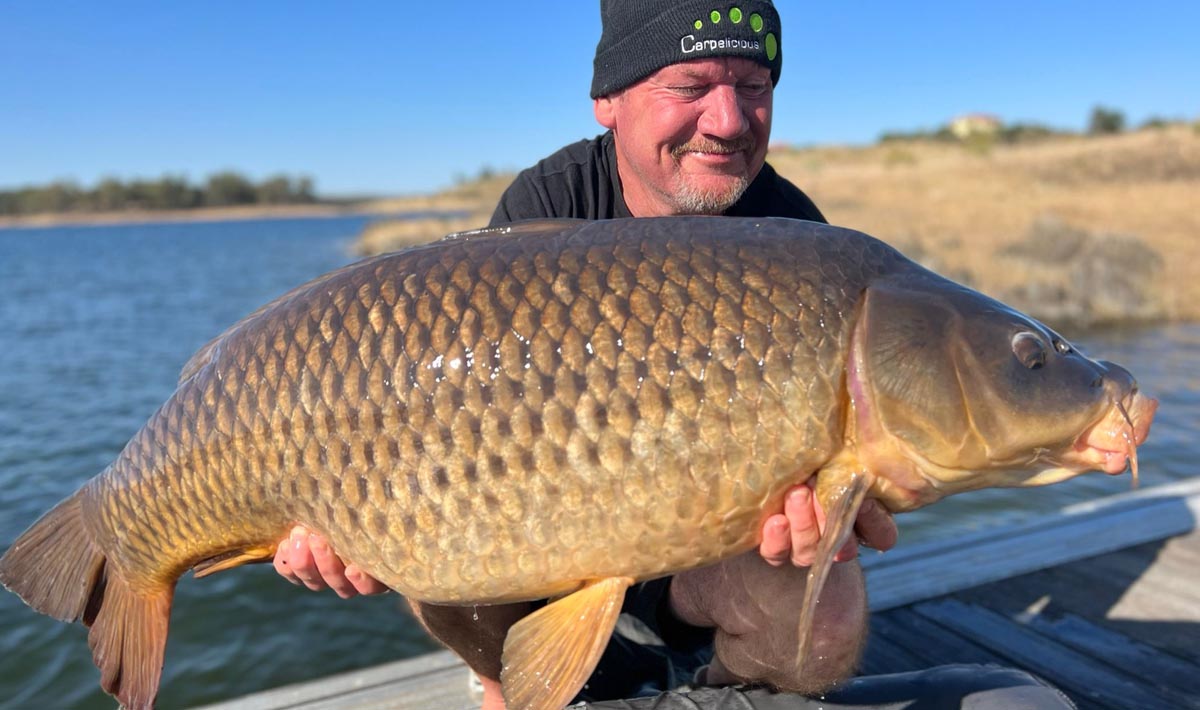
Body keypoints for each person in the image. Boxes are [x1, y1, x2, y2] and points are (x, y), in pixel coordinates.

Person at [274, 2, 1077, 708]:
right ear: (609, 101)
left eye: (753, 86)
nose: (728, 119)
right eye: (690, 86)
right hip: (552, 517)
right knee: (431, 523)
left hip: (712, 540)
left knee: (825, 619)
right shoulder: (545, 206)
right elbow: (456, 420)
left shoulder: (795, 238)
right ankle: (508, 689)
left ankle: (724, 693)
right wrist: (342, 522)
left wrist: (842, 515)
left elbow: (854, 471)